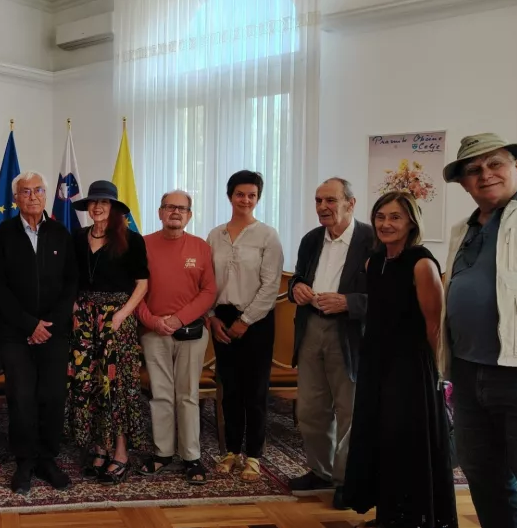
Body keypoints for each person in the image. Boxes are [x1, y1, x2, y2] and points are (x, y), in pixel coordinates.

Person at [344, 192, 458, 528]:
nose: (386, 223)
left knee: (404, 443)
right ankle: (387, 516)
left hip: (410, 368)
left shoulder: (421, 263)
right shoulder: (373, 263)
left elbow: (434, 325)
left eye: (395, 217)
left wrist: (439, 376)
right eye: (380, 216)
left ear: (411, 222)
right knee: (379, 439)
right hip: (375, 363)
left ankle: (409, 527)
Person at [441, 133, 517, 528]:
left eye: (495, 164)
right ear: (463, 184)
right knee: (486, 482)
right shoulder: (462, 229)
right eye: (473, 170)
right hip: (467, 371)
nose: (485, 174)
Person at [0, 171, 78, 495]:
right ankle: (25, 461)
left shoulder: (60, 233)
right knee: (22, 398)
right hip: (16, 333)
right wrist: (29, 325)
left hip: (54, 332)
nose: (32, 196)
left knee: (53, 397)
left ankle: (47, 458)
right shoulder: (2, 235)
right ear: (15, 199)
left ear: (45, 195)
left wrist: (47, 325)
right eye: (25, 192)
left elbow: (71, 283)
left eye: (38, 190)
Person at [286, 178, 374, 510]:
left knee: (350, 410)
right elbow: (297, 277)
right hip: (311, 328)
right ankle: (320, 471)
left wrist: (349, 302)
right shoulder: (311, 239)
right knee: (310, 409)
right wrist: (296, 288)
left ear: (351, 203)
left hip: (350, 334)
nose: (323, 207)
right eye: (318, 200)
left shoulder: (372, 240)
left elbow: (388, 296)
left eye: (331, 200)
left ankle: (347, 480)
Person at [66, 180, 149, 485]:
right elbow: (70, 278)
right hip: (84, 321)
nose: (98, 207)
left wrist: (121, 315)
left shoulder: (131, 240)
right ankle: (99, 448)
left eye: (104, 202)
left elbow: (142, 284)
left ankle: (121, 453)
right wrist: (75, 306)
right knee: (89, 383)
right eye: (93, 202)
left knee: (116, 386)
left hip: (117, 320)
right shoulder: (77, 237)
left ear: (113, 208)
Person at [207, 170, 283, 483]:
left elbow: (271, 285)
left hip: (257, 321)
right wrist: (212, 317)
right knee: (231, 389)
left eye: (252, 195)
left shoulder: (267, 235)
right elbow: (206, 281)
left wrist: (245, 321)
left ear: (258, 198)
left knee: (255, 390)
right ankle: (230, 451)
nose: (246, 200)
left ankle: (253, 455)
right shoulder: (215, 235)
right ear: (230, 196)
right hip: (221, 320)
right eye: (240, 194)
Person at [135, 190, 217, 484]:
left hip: (191, 333)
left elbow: (209, 291)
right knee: (160, 394)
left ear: (189, 215)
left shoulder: (201, 247)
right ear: (160, 212)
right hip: (153, 332)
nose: (175, 212)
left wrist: (178, 319)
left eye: (182, 208)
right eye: (170, 207)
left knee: (187, 395)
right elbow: (135, 290)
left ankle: (191, 456)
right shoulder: (142, 245)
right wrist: (153, 321)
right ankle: (163, 453)